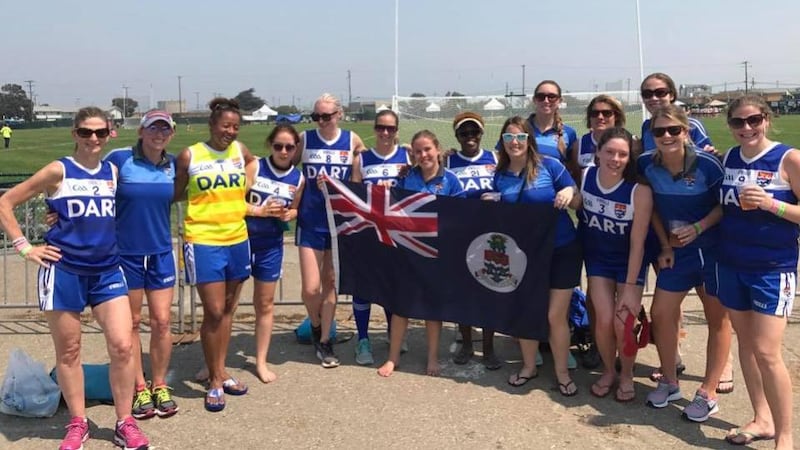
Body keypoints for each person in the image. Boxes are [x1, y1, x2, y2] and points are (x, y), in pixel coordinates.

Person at [0, 107, 149, 450]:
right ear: (75, 134)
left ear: (109, 134)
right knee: (69, 351)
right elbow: (6, 202)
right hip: (64, 270)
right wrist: (25, 248)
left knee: (123, 345)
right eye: (85, 132)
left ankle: (124, 422)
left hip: (107, 270)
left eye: (100, 132)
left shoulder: (112, 171)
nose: (93, 138)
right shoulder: (59, 170)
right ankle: (78, 423)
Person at [637, 104, 732, 423]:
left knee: (717, 319)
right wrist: (665, 245)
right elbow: (651, 208)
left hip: (711, 250)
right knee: (661, 313)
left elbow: (725, 206)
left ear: (686, 131)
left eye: (673, 130)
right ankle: (670, 381)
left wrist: (699, 228)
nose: (666, 136)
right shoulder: (646, 164)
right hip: (677, 253)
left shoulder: (708, 164)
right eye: (659, 131)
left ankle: (708, 392)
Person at [718, 95, 799, 448]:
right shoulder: (729, 158)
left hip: (772, 268)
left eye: (754, 120)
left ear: (766, 119)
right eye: (738, 122)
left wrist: (770, 204)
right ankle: (762, 419)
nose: (747, 127)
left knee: (767, 352)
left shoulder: (789, 158)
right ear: (730, 125)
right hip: (732, 263)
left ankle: (785, 436)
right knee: (748, 346)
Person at [174, 97, 258, 412]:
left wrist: (247, 186)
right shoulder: (191, 155)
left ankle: (220, 371)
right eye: (225, 126)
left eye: (235, 127)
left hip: (237, 238)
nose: (230, 132)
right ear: (212, 125)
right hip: (203, 240)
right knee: (213, 311)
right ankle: (213, 379)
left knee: (228, 309)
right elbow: (174, 193)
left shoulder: (239, 151)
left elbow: (253, 162)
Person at [492, 116, 582, 396]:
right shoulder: (500, 176)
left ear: (529, 139)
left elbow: (577, 201)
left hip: (562, 248)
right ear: (502, 142)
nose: (514, 142)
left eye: (520, 137)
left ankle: (562, 373)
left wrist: (569, 191)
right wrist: (492, 204)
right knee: (528, 311)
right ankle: (529, 367)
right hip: (525, 254)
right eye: (508, 137)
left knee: (555, 316)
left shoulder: (550, 165)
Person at [104, 110, 179, 420]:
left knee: (162, 321)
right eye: (153, 129)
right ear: (141, 131)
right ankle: (139, 386)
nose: (158, 135)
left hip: (160, 252)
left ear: (171, 134)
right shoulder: (120, 159)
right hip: (127, 254)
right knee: (132, 322)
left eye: (164, 130)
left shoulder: (174, 164)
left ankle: (159, 384)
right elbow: (91, 184)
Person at [377, 130, 464, 378]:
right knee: (401, 306)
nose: (423, 155)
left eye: (427, 149)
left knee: (432, 307)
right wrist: (385, 188)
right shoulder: (406, 178)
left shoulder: (451, 180)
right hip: (409, 250)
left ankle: (433, 357)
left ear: (438, 150)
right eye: (418, 151)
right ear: (412, 154)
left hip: (438, 252)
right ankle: (393, 357)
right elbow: (391, 207)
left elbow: (460, 214)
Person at [579, 127, 652, 402]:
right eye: (609, 152)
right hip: (598, 260)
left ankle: (627, 374)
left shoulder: (639, 191)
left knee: (623, 323)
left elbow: (638, 244)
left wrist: (631, 287)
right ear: (598, 152)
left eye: (622, 154)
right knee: (604, 319)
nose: (615, 159)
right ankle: (609, 371)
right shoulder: (586, 176)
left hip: (629, 262)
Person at [294, 93, 366, 368]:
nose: (321, 121)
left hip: (338, 224)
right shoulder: (305, 139)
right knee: (311, 289)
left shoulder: (351, 139)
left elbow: (366, 168)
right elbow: (283, 163)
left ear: (339, 114)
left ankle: (325, 341)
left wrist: (404, 151)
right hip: (310, 221)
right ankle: (316, 325)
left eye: (326, 116)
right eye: (316, 116)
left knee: (331, 284)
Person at [349, 109, 410, 365]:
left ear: (397, 131)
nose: (385, 133)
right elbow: (352, 195)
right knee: (363, 286)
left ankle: (392, 332)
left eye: (391, 128)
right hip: (368, 231)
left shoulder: (407, 155)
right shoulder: (362, 159)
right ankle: (363, 339)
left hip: (398, 232)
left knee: (392, 285)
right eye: (381, 127)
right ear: (374, 129)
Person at [245, 124, 305, 382]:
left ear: (295, 149)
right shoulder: (255, 167)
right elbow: (234, 202)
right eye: (278, 146)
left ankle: (261, 361)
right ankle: (215, 363)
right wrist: (259, 211)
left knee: (265, 303)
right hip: (242, 240)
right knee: (227, 304)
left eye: (289, 147)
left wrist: (290, 214)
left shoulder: (298, 178)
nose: (283, 151)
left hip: (270, 245)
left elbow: (295, 209)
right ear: (270, 144)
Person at [444, 111, 501, 370]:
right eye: (464, 133)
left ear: (481, 134)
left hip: (490, 235)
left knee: (490, 290)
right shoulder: (448, 160)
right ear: (456, 136)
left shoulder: (495, 158)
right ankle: (467, 343)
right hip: (460, 234)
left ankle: (488, 348)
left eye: (474, 132)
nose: (470, 137)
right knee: (463, 292)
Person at [573, 95, 627, 170]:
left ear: (616, 116)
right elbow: (576, 175)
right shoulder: (579, 145)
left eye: (606, 113)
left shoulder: (630, 143)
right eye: (595, 113)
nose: (600, 117)